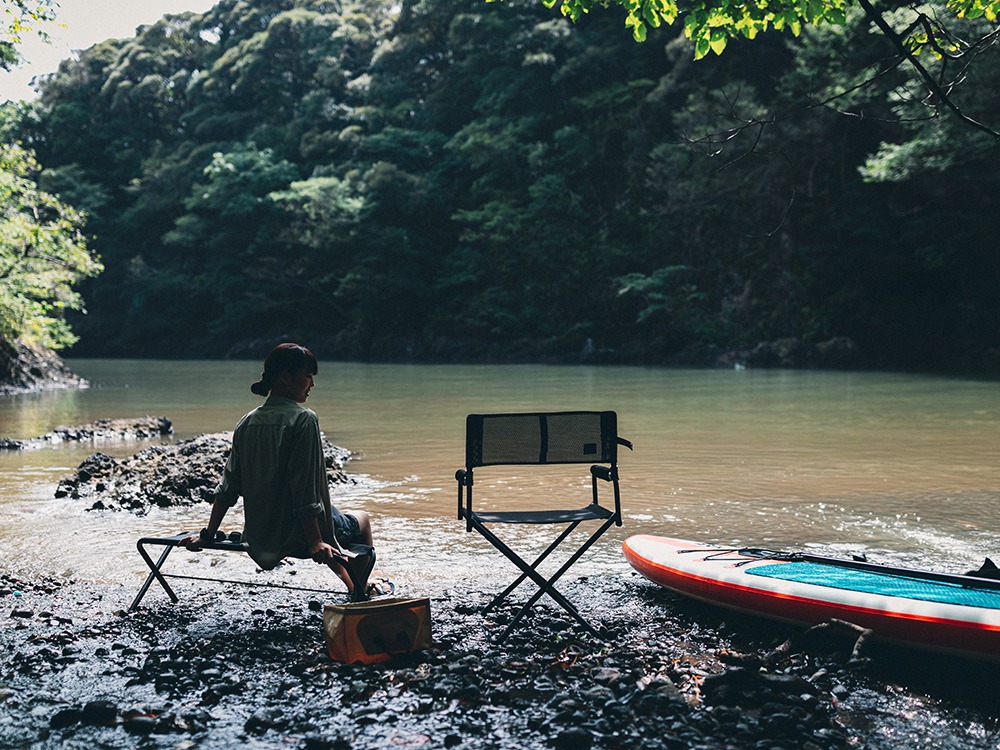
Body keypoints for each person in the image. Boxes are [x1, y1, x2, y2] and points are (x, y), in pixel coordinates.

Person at [181, 343, 386, 597]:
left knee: (336, 519)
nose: (312, 385)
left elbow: (228, 486)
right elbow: (304, 491)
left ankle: (355, 585)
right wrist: (315, 542)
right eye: (308, 377)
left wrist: (208, 534)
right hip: (299, 535)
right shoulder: (304, 419)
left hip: (262, 536)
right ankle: (359, 590)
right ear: (286, 378)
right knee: (362, 519)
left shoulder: (246, 422)